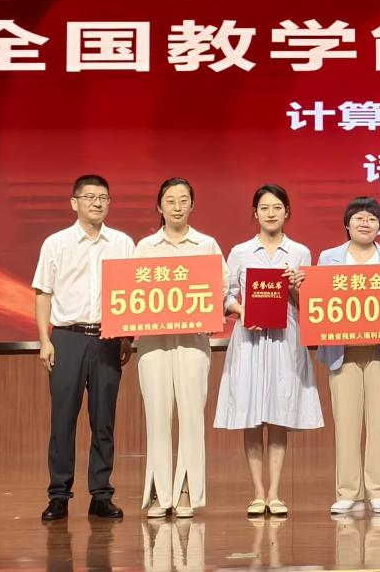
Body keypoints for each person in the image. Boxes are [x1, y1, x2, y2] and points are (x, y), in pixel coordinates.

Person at [214, 184, 323, 517]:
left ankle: (275, 493)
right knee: (251, 416)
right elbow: (224, 295)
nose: (271, 213)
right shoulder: (240, 252)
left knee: (278, 415)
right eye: (264, 208)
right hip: (249, 340)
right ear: (255, 213)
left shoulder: (300, 252)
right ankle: (257, 493)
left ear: (287, 212)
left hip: (285, 338)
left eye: (277, 207)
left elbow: (307, 304)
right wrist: (242, 310)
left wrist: (294, 287)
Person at [32, 174, 136, 521]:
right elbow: (43, 293)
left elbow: (131, 294)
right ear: (74, 202)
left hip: (108, 339)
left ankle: (101, 494)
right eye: (89, 197)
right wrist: (45, 340)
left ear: (109, 203)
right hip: (67, 338)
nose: (97, 202)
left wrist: (126, 337)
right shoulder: (56, 243)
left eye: (103, 197)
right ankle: (58, 495)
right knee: (63, 419)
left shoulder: (123, 243)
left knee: (104, 420)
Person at [134, 178, 223, 519]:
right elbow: (131, 289)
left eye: (183, 200)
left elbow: (221, 287)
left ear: (192, 205)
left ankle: (186, 489)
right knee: (157, 416)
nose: (176, 206)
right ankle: (159, 491)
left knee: (191, 416)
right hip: (153, 341)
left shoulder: (206, 244)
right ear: (159, 206)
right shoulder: (145, 247)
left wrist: (211, 309)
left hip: (193, 340)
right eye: (170, 200)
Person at [318, 197, 380, 516]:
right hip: (342, 351)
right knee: (346, 424)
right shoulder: (328, 258)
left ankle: (379, 490)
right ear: (347, 224)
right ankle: (348, 492)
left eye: (371, 218)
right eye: (358, 217)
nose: (365, 222)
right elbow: (320, 299)